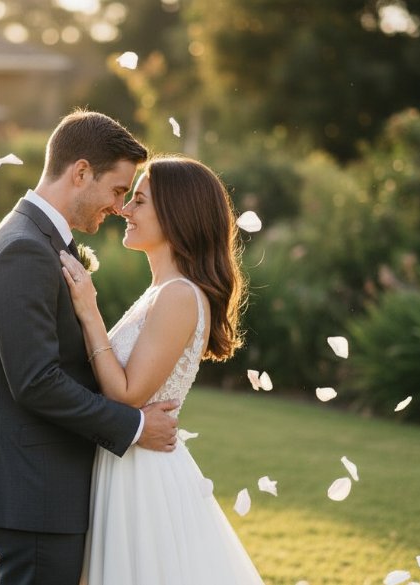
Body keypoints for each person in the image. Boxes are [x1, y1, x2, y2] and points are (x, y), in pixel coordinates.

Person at [0, 110, 181, 585]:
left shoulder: (36, 239)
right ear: (81, 172)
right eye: (118, 190)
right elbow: (36, 381)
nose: (119, 207)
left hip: (42, 487)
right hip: (35, 489)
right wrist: (135, 426)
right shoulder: (24, 249)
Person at [59, 156, 265, 584]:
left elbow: (127, 394)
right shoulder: (160, 291)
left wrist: (89, 310)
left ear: (176, 214)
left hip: (142, 476)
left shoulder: (178, 295)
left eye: (139, 200)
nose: (124, 210)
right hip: (125, 461)